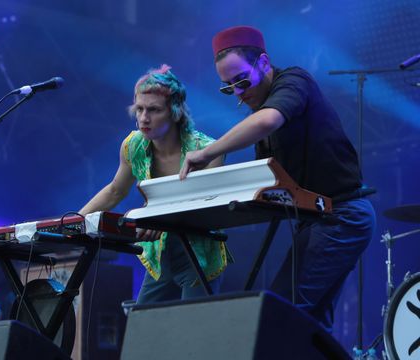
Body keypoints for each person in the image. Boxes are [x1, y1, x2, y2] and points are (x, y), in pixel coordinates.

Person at [179, 25, 376, 330]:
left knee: (281, 314)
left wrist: (206, 153)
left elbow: (269, 120)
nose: (240, 93)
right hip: (319, 220)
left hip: (342, 215)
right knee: (313, 326)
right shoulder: (260, 111)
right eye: (229, 87)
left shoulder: (294, 81)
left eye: (242, 80)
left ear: (265, 64)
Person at [80, 65, 230, 304]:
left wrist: (159, 217)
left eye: (153, 110)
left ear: (175, 111)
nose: (143, 118)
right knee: (144, 326)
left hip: (199, 255)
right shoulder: (133, 146)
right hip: (160, 254)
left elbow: (208, 209)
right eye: (139, 109)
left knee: (194, 329)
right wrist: (74, 222)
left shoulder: (207, 150)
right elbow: (115, 190)